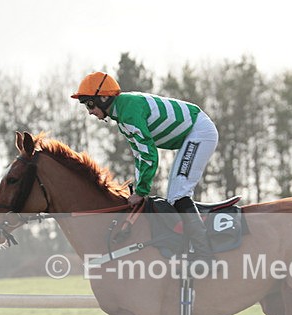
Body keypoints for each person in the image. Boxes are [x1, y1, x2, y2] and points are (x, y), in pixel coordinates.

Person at [71, 71, 219, 263]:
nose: (89, 111)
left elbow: (149, 155)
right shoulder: (121, 116)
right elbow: (139, 155)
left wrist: (142, 191)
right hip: (193, 133)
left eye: (90, 104)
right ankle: (191, 248)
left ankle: (205, 256)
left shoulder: (127, 112)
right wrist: (139, 189)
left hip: (200, 132)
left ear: (104, 98)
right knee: (174, 195)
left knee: (178, 194)